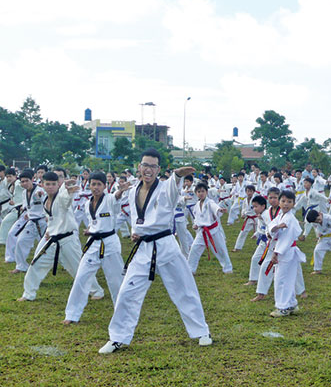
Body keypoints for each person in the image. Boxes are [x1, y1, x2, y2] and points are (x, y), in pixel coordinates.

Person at [99, 149, 212, 354]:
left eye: (152, 166)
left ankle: (201, 331)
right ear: (139, 167)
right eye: (145, 165)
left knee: (184, 289)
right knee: (127, 292)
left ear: (158, 169)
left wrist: (178, 174)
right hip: (143, 249)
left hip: (166, 246)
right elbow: (137, 217)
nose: (148, 169)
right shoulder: (133, 190)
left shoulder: (165, 189)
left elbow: (173, 184)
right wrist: (135, 232)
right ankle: (118, 337)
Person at [17, 171, 104, 301]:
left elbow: (65, 200)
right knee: (36, 264)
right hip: (52, 239)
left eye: (53, 184)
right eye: (48, 184)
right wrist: (49, 230)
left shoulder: (62, 197)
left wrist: (69, 192)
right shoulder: (45, 198)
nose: (50, 187)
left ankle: (96, 290)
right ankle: (28, 294)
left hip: (68, 240)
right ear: (42, 185)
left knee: (78, 268)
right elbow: (50, 217)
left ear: (58, 185)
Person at [63, 172, 127, 324]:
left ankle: (123, 314)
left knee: (116, 281)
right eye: (93, 184)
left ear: (105, 186)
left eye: (99, 184)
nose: (96, 187)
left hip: (109, 244)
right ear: (89, 185)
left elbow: (116, 197)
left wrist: (121, 190)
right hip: (93, 244)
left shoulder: (110, 199)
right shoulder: (87, 204)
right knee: (81, 278)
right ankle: (71, 315)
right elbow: (94, 223)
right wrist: (90, 230)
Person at [267, 190, 307, 317]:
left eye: (289, 202)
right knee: (288, 279)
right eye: (283, 201)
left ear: (294, 204)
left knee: (281, 280)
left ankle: (283, 307)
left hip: (286, 251)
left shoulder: (290, 219)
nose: (286, 204)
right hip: (285, 251)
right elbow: (271, 226)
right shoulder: (281, 216)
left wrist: (276, 253)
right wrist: (276, 228)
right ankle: (291, 304)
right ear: (279, 202)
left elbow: (287, 238)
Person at [187, 182, 233, 274]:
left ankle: (227, 268)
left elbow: (214, 207)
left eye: (203, 191)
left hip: (213, 231)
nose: (201, 193)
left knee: (221, 249)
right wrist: (196, 224)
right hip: (202, 231)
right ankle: (190, 270)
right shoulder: (197, 205)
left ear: (207, 192)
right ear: (196, 193)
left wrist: (219, 209)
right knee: (194, 249)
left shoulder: (210, 202)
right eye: (199, 191)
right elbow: (196, 217)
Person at [6, 170, 46, 269]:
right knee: (21, 241)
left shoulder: (40, 191)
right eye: (22, 182)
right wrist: (26, 211)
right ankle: (21, 266)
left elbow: (48, 204)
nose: (24, 183)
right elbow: (27, 205)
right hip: (31, 222)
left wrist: (42, 195)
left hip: (43, 221)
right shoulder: (24, 192)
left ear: (32, 179)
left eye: (26, 181)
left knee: (48, 244)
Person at [244, 195, 269, 286]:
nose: (254, 209)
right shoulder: (259, 215)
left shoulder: (267, 215)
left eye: (256, 206)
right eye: (253, 207)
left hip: (270, 243)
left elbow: (270, 228)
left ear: (263, 206)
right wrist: (256, 234)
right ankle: (253, 279)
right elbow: (260, 229)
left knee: (271, 262)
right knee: (255, 258)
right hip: (262, 241)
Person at [233, 185, 257, 252]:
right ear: (246, 192)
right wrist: (243, 214)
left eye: (251, 191)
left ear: (253, 192)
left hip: (256, 218)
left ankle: (264, 248)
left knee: (261, 233)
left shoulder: (256, 199)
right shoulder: (245, 200)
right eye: (248, 191)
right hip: (248, 218)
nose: (249, 193)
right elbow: (243, 208)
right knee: (243, 233)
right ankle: (237, 247)